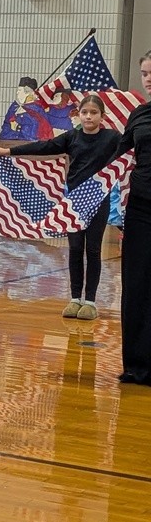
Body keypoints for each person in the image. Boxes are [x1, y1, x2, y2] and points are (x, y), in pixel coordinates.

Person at [0, 94, 120, 320]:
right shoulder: (72, 137)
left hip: (99, 200)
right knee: (76, 249)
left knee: (93, 250)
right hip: (75, 203)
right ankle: (74, 298)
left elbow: (132, 151)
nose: (89, 116)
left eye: (94, 112)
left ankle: (90, 301)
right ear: (78, 115)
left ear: (102, 116)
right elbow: (44, 147)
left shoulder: (112, 138)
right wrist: (8, 151)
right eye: (85, 112)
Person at [114, 52, 151, 385]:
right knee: (136, 285)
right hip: (140, 209)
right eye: (144, 73)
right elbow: (114, 151)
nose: (148, 78)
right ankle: (136, 366)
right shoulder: (138, 115)